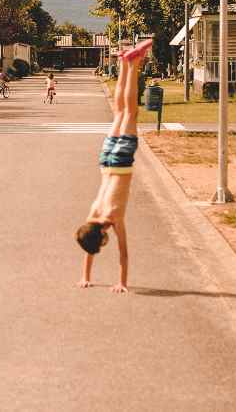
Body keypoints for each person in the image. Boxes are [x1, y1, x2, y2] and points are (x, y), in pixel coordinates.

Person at [75, 39, 152, 293]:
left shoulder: (113, 218)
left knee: (130, 113)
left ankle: (133, 64)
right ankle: (123, 63)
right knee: (119, 112)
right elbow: (88, 245)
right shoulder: (92, 216)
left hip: (120, 163)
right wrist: (85, 276)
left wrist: (122, 283)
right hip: (105, 161)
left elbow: (124, 254)